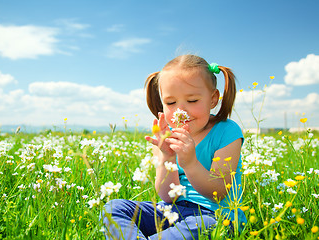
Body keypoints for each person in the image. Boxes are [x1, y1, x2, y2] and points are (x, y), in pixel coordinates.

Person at [102, 54, 246, 239]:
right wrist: (167, 156)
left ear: (213, 99)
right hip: (171, 210)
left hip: (216, 216)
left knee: (204, 226)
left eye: (192, 101)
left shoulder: (227, 131)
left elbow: (217, 192)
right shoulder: (165, 134)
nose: (180, 110)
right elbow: (167, 196)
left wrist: (190, 162)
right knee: (113, 208)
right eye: (171, 103)